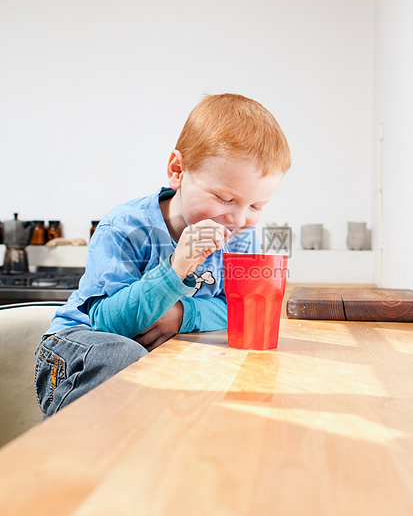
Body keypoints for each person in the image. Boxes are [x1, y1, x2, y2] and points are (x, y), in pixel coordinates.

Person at [34, 93, 291, 417]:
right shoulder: (125, 227)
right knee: (122, 354)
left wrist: (181, 313)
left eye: (256, 206)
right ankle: (48, 456)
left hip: (153, 355)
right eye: (225, 198)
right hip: (78, 348)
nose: (239, 220)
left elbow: (238, 310)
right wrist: (174, 270)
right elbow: (108, 323)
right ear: (177, 170)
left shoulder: (240, 239)